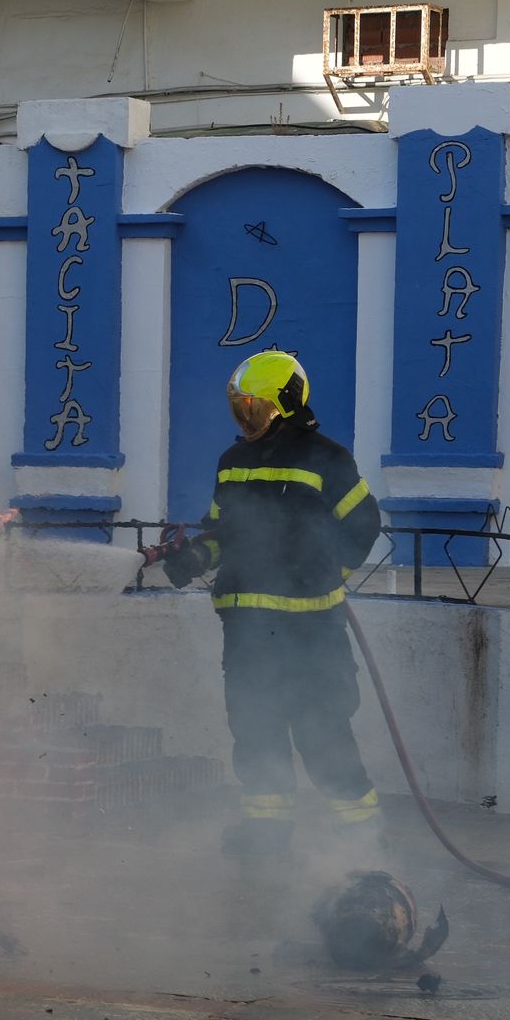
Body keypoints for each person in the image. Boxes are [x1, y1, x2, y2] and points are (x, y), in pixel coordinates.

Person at [160, 349, 382, 856]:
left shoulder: (326, 458)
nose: (245, 420)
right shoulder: (233, 462)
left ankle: (362, 840)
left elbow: (364, 524)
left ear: (286, 403)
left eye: (254, 409)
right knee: (255, 732)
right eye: (240, 410)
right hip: (247, 632)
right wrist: (197, 555)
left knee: (321, 733)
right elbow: (222, 533)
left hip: (310, 631)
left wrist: (329, 572)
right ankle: (266, 839)